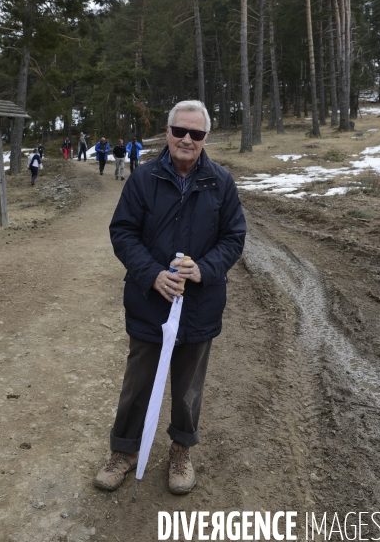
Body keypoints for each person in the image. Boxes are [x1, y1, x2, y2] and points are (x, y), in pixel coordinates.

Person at [93, 100, 246, 495]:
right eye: (180, 131)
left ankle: (181, 450)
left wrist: (206, 269)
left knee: (189, 384)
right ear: (167, 132)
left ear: (205, 138)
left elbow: (234, 238)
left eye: (195, 134)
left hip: (199, 304)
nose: (186, 139)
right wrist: (152, 274)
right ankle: (123, 451)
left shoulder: (221, 182)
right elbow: (122, 232)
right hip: (149, 300)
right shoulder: (143, 179)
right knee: (139, 379)